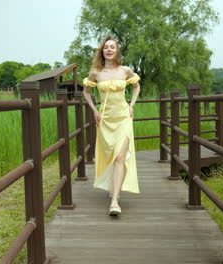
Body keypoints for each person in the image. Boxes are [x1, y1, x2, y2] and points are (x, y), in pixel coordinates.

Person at [82, 36, 141, 216]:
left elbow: (137, 87)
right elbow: (85, 92)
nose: (109, 50)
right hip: (105, 119)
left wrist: (131, 105)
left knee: (120, 157)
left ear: (116, 51)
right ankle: (113, 186)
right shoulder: (96, 73)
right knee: (110, 154)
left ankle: (115, 201)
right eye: (106, 47)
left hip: (123, 117)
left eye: (112, 47)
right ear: (102, 51)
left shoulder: (125, 70)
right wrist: (94, 110)